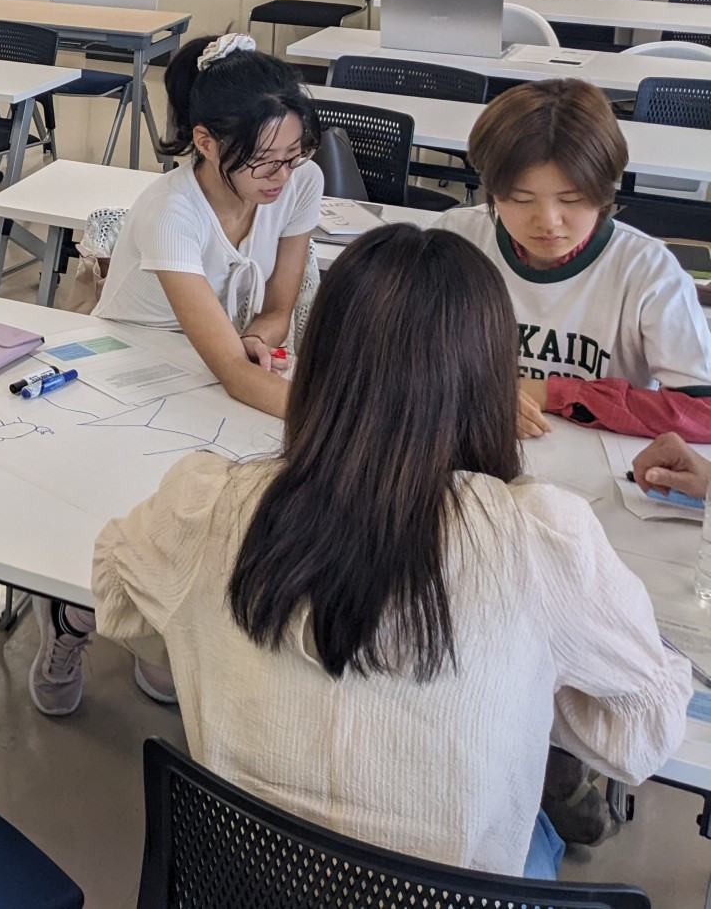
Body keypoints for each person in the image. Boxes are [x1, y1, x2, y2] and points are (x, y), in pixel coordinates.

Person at [92, 224, 689, 879]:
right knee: (527, 826)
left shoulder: (208, 504)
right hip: (446, 892)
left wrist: (215, 645)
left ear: (317, 365)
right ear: (491, 381)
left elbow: (120, 605)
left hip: (248, 880)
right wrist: (524, 691)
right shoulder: (543, 538)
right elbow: (644, 736)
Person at [31, 32, 321, 719]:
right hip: (133, 364)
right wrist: (335, 419)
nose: (282, 177)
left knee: (211, 510)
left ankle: (159, 632)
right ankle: (71, 619)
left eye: (294, 155)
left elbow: (279, 305)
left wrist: (258, 335)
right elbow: (225, 370)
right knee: (126, 504)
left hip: (220, 358)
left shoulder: (298, 181)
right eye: (264, 163)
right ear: (207, 141)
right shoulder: (171, 210)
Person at [434, 79, 711, 442]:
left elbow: (701, 413)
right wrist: (482, 400)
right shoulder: (458, 242)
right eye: (520, 198)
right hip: (476, 450)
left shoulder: (647, 271)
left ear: (605, 191)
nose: (548, 221)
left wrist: (550, 393)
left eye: (571, 199)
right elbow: (394, 362)